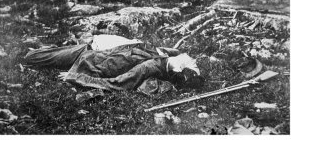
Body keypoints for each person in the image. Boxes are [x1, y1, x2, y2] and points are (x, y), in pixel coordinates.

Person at [25, 34, 203, 94]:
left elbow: (117, 83)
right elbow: (185, 57)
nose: (186, 59)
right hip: (96, 47)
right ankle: (39, 49)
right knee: (41, 54)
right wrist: (194, 73)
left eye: (184, 64)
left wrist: (74, 77)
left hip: (85, 60)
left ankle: (28, 54)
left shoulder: (150, 67)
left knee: (32, 57)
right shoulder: (162, 56)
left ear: (177, 70)